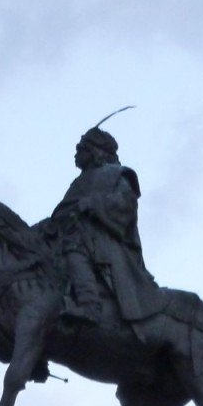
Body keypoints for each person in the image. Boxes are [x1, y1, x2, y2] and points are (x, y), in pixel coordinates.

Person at [40, 126, 164, 328]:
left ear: (94, 151)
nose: (76, 154)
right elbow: (64, 212)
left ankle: (90, 305)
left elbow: (126, 204)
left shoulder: (116, 174)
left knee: (74, 250)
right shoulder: (79, 181)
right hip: (73, 233)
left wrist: (92, 204)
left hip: (102, 241)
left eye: (81, 149)